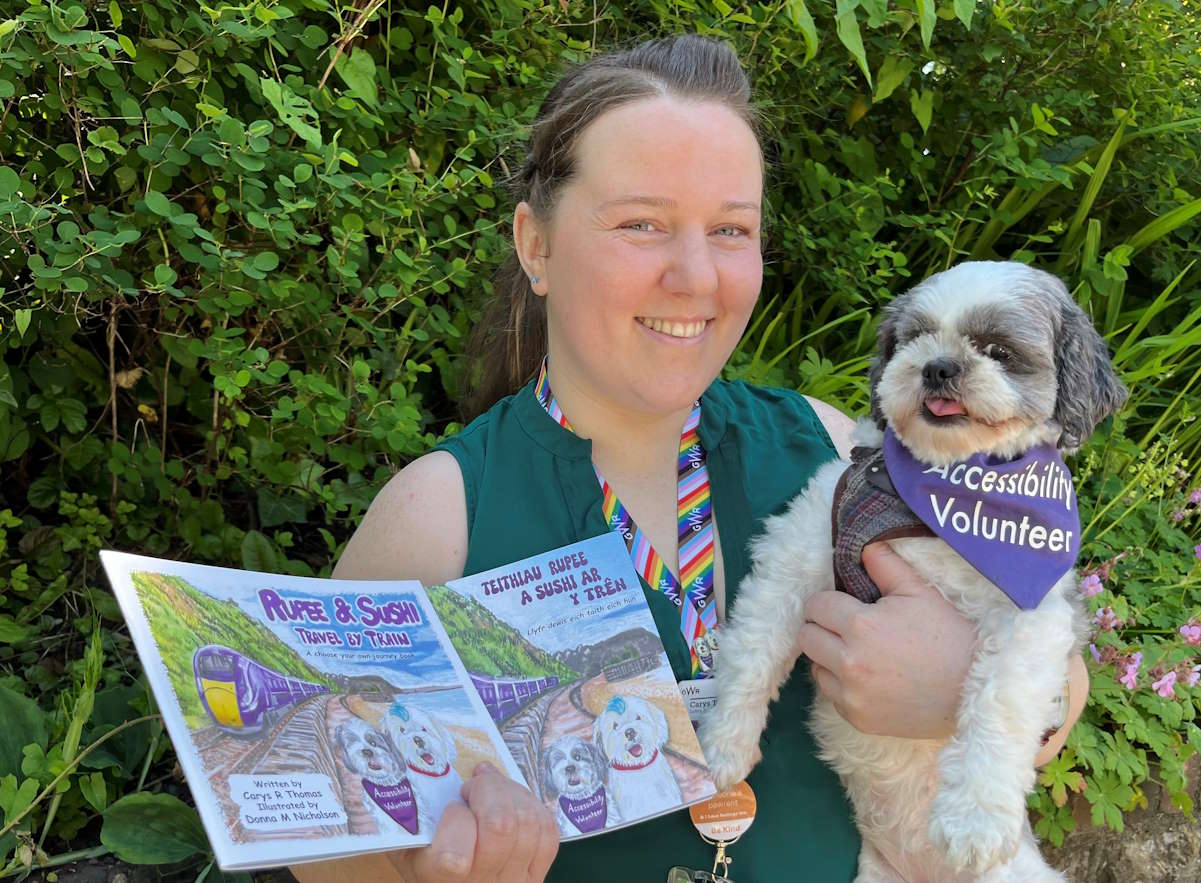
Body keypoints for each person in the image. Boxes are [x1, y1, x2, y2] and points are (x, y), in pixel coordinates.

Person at [291, 35, 1086, 883]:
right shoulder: (440, 518)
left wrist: (958, 689)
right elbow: (319, 851)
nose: (695, 274)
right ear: (535, 244)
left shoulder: (835, 450)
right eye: (643, 224)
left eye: (730, 229)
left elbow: (1051, 660)